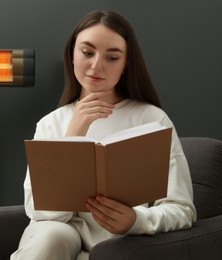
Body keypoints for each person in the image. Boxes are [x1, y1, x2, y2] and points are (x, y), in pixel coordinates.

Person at [11, 10, 197, 260]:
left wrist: (136, 220)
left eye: (112, 57)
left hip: (122, 243)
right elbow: (41, 214)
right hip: (58, 239)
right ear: (72, 55)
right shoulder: (50, 124)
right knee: (52, 235)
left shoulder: (153, 120)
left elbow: (182, 209)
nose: (96, 66)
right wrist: (73, 134)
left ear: (125, 65)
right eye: (87, 53)